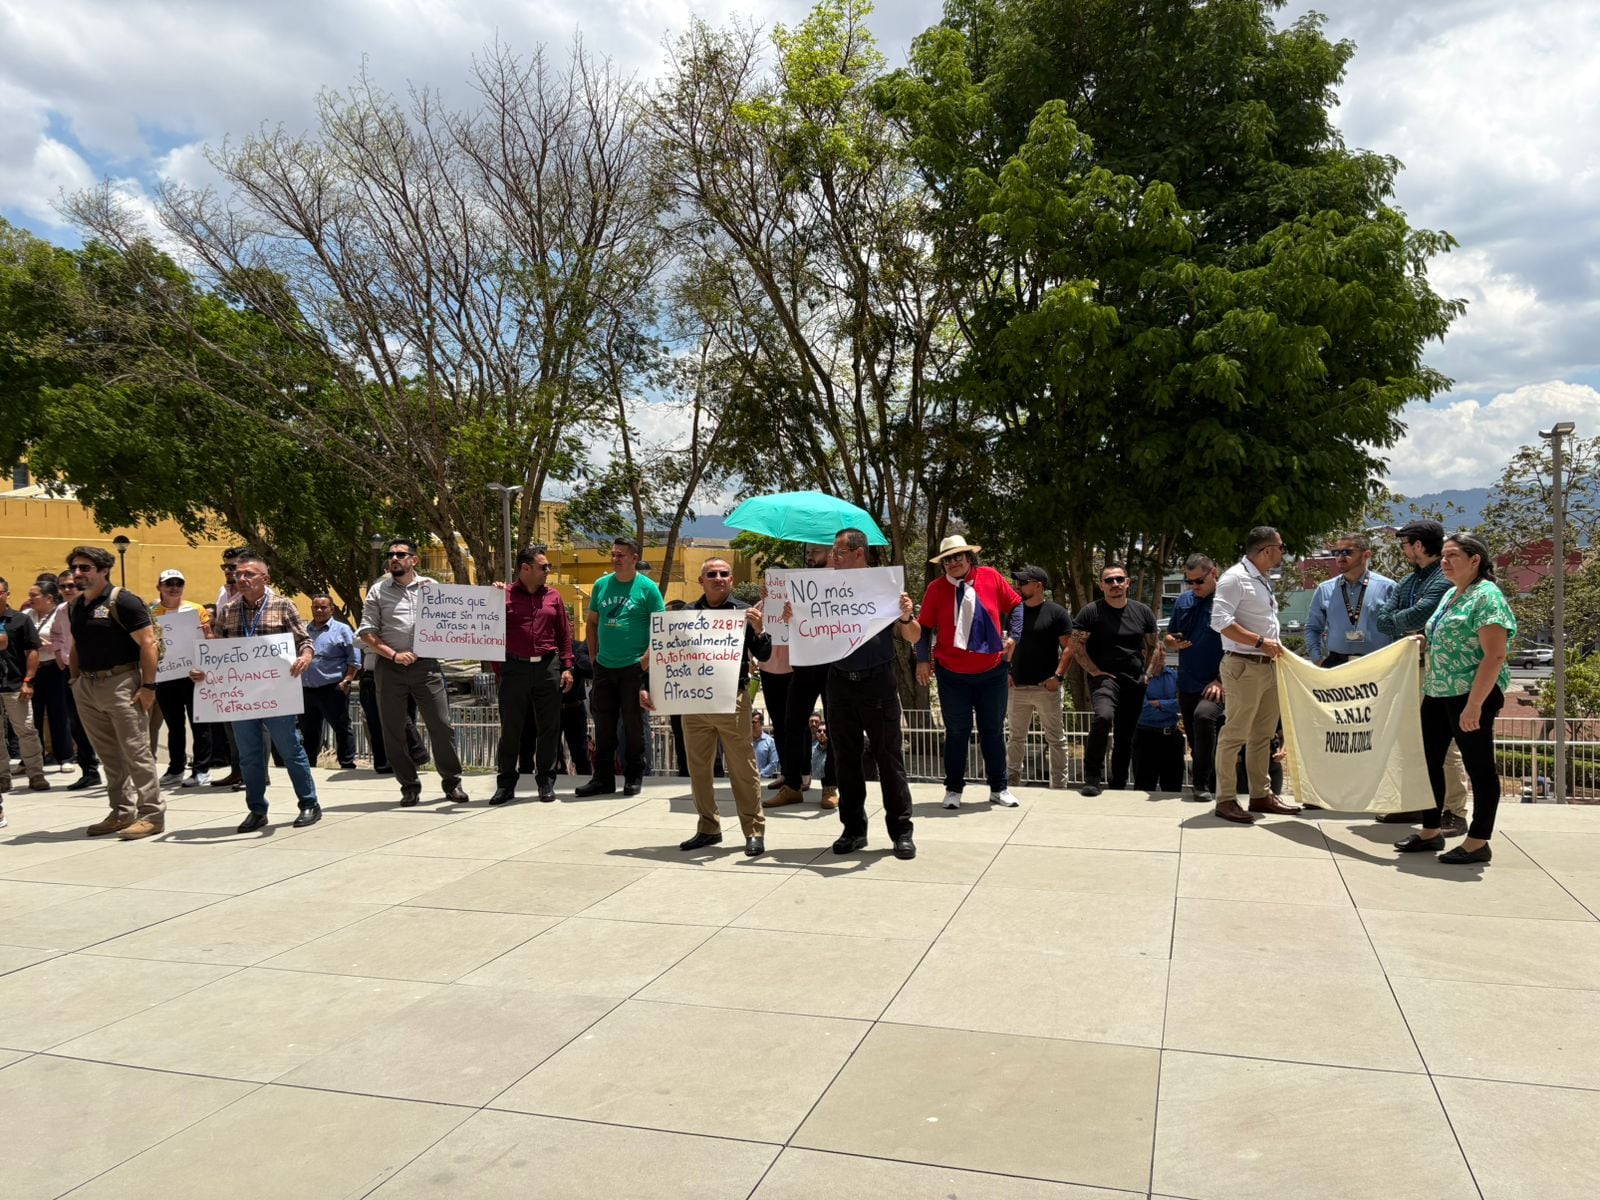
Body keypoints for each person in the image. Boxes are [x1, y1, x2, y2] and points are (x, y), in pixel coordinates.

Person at [1394, 532, 1515, 865]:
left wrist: (1475, 705)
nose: (1444, 562)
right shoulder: (1452, 593)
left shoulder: (1487, 597)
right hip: (1437, 690)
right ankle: (1430, 830)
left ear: (1475, 560)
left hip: (1470, 693)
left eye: (1453, 556)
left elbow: (1494, 655)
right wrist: (1422, 642)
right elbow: (1444, 636)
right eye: (1443, 556)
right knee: (1427, 760)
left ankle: (1478, 841)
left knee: (1479, 767)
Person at [657, 557, 773, 856]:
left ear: (731, 580)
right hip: (693, 702)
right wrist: (648, 685)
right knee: (699, 769)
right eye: (712, 574)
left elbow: (765, 654)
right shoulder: (686, 613)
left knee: (742, 768)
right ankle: (708, 827)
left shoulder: (742, 612)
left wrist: (759, 631)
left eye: (724, 574)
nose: (718, 578)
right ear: (702, 581)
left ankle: (753, 831)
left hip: (732, 699)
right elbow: (667, 653)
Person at [203, 552, 321, 832]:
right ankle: (256, 809)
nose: (241, 578)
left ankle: (308, 803)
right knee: (249, 755)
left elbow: (304, 640)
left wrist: (305, 657)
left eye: (248, 574)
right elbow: (217, 651)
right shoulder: (229, 610)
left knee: (290, 749)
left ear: (265, 578)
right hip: (242, 696)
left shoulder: (283, 606)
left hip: (277, 693)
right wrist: (203, 668)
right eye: (237, 574)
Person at [823, 528, 920, 859]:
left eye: (838, 553)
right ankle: (853, 830)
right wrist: (795, 617)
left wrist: (906, 615)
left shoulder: (884, 587)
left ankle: (901, 832)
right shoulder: (823, 588)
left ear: (858, 553)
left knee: (888, 759)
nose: (832, 558)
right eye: (832, 554)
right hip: (839, 682)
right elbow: (805, 632)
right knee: (846, 760)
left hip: (877, 682)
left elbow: (912, 635)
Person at [1373, 519, 1470, 834]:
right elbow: (1381, 621)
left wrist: (1402, 620)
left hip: (1435, 669)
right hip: (1408, 669)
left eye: (1404, 545)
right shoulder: (1408, 582)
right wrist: (1404, 621)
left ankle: (1454, 810)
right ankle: (1417, 802)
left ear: (1417, 545)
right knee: (1409, 740)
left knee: (1443, 744)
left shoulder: (1442, 579)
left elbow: (1417, 615)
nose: (1403, 551)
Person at [358, 538, 467, 808]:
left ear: (413, 560)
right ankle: (408, 786)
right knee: (393, 730)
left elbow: (455, 619)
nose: (394, 558)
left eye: (400, 554)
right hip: (389, 667)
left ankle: (452, 782)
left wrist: (495, 593)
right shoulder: (378, 591)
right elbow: (367, 631)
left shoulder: (432, 588)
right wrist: (393, 654)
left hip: (426, 666)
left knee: (441, 726)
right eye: (391, 554)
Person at [916, 536, 1022, 809]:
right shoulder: (936, 589)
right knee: (957, 732)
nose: (953, 563)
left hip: (992, 670)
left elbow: (1017, 605)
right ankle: (953, 789)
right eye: (947, 559)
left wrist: (1015, 636)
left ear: (968, 557)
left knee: (993, 731)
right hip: (952, 674)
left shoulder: (991, 577)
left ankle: (999, 788)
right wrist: (922, 660)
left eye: (957, 556)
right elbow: (924, 627)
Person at [66, 546, 163, 839]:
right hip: (88, 686)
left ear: (103, 570)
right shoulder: (76, 606)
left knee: (136, 751)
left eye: (85, 568)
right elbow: (75, 645)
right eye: (75, 568)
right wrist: (74, 681)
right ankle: (121, 812)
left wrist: (148, 687)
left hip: (122, 682)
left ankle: (152, 814)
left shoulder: (124, 601)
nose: (78, 574)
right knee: (108, 754)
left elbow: (149, 643)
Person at [1209, 527, 1301, 824]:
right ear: (1267, 550)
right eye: (1281, 547)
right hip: (1244, 665)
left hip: (1267, 666)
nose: (1282, 553)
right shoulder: (1235, 578)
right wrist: (1261, 643)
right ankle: (1225, 799)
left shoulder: (1260, 579)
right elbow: (1220, 622)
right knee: (1234, 733)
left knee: (1262, 734)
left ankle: (1260, 794)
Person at [577, 538, 664, 798]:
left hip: (633, 668)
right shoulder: (601, 585)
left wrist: (644, 662)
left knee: (633, 726)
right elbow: (592, 622)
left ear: (634, 558)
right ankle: (602, 779)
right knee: (603, 725)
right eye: (613, 555)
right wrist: (593, 656)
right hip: (604, 667)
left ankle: (634, 777)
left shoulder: (648, 589)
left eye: (621, 555)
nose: (616, 559)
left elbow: (660, 628)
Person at [492, 545, 575, 805]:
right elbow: (487, 633)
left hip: (547, 667)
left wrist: (567, 666)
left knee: (549, 728)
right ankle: (506, 783)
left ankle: (546, 781)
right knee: (511, 730)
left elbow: (565, 634)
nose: (548, 570)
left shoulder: (554, 597)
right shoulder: (501, 595)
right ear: (525, 568)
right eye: (543, 567)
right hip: (514, 669)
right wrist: (501, 670)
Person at [1072, 563, 1161, 797]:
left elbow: (1154, 647)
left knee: (1125, 735)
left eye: (1119, 579)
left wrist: (1148, 675)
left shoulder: (1142, 612)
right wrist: (1093, 671)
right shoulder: (1091, 611)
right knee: (1103, 717)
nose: (1115, 584)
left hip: (1134, 680)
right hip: (1103, 679)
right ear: (1101, 585)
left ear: (1128, 582)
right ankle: (1092, 777)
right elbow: (1076, 645)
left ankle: (1119, 782)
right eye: (1109, 580)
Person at [769, 543, 839, 809]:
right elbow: (778, 620)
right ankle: (792, 786)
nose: (810, 556)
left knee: (835, 724)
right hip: (805, 662)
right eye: (807, 552)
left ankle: (830, 787)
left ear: (832, 554)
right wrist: (778, 607)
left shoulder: (845, 582)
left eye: (816, 552)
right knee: (792, 723)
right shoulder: (796, 583)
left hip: (834, 664)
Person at [1005, 565, 1072, 789]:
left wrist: (1058, 677)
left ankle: (1059, 787)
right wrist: (1005, 672)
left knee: (1056, 739)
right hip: (1017, 687)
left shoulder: (1057, 612)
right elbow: (1005, 645)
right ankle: (1011, 785)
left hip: (1047, 688)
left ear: (1038, 586)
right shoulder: (1014, 612)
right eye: (1017, 582)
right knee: (1015, 738)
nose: (1018, 586)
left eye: (1023, 582)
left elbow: (1068, 648)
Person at [1165, 555, 1224, 803]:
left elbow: (1237, 647)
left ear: (1214, 573)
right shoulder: (1184, 600)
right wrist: (1172, 642)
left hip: (1217, 682)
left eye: (1199, 581)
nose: (1194, 586)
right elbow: (1168, 636)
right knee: (1196, 739)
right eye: (1189, 582)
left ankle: (1202, 784)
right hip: (1187, 682)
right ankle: (1209, 784)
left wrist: (1221, 680)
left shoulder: (1227, 601)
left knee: (1204, 718)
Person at [151, 569, 215, 787]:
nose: (174, 587)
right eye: (169, 583)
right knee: (174, 724)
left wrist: (207, 634)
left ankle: (201, 769)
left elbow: (208, 639)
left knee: (199, 724)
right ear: (159, 586)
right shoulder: (151, 612)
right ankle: (176, 768)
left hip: (192, 674)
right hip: (166, 675)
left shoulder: (195, 609)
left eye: (179, 583)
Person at [0, 577, 51, 813]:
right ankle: (2, 777)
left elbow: (32, 651)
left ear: (7, 594)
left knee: (26, 729)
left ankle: (36, 774)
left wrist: (28, 680)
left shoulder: (20, 620)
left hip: (15, 683)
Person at [1305, 533, 1396, 666]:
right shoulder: (1325, 589)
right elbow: (1313, 628)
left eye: (1347, 552)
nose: (1340, 558)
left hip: (1378, 664)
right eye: (1337, 552)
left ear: (1366, 555)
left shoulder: (1388, 588)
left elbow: (1400, 628)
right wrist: (1317, 659)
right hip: (1337, 664)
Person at [299, 594, 361, 770]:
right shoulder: (304, 631)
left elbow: (354, 658)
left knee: (341, 728)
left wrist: (348, 679)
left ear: (332, 609)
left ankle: (347, 763)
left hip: (332, 688)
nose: (319, 610)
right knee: (309, 731)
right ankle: (309, 766)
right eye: (315, 607)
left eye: (323, 607)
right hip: (307, 689)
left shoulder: (342, 630)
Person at [53, 571, 101, 789]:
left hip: (95, 669)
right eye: (62, 586)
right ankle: (89, 770)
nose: (67, 590)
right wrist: (59, 654)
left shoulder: (94, 606)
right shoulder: (61, 610)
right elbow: (55, 634)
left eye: (71, 585)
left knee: (105, 719)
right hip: (70, 671)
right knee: (76, 722)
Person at [27, 581, 73, 773]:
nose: (30, 599)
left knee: (58, 712)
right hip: (34, 669)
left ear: (49, 598)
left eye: (34, 595)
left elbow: (67, 639)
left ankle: (65, 757)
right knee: (33, 715)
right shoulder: (27, 615)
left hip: (55, 667)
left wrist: (51, 645)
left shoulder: (60, 614)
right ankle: (34, 757)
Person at [1132, 665, 1185, 791]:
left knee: (1173, 791)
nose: (1161, 654)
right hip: (1145, 737)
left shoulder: (1175, 676)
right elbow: (1142, 709)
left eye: (1163, 649)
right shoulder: (1137, 677)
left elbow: (1183, 703)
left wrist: (1158, 703)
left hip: (1172, 737)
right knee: (1143, 788)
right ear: (1146, 652)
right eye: (1157, 650)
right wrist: (1170, 704)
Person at [751, 709, 780, 780]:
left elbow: (773, 763)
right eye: (749, 722)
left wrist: (759, 775)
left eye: (754, 722)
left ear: (761, 724)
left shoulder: (770, 742)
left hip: (763, 780)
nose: (751, 724)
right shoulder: (746, 741)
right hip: (745, 781)